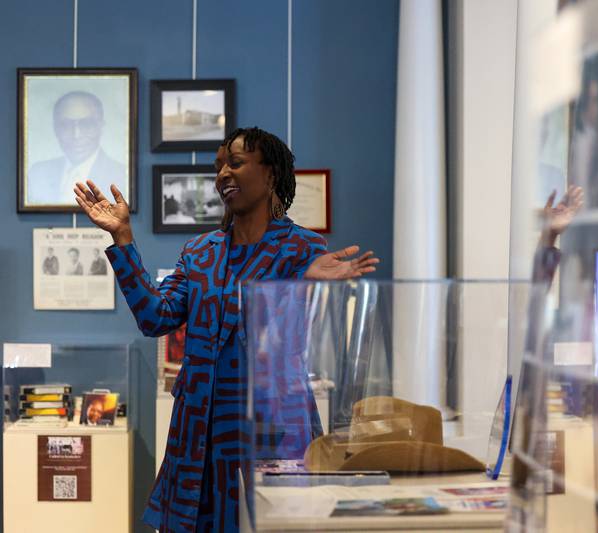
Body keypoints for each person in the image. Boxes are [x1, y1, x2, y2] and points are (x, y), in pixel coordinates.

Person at [74, 126, 378, 532]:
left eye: (235, 163)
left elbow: (291, 335)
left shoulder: (303, 249)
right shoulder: (199, 251)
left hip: (269, 426)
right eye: (219, 166)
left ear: (270, 174)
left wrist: (303, 282)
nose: (223, 174)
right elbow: (155, 317)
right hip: (198, 431)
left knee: (270, 522)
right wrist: (123, 238)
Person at [28, 91, 126, 206]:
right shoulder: (38, 173)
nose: (76, 135)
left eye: (86, 124)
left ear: (101, 127)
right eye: (66, 125)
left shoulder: (121, 175)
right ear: (56, 129)